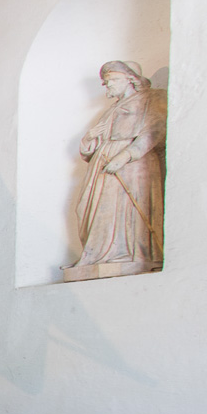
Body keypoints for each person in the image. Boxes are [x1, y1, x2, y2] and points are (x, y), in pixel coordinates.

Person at [65, 60, 167, 277]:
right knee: (87, 208)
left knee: (125, 210)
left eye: (110, 80)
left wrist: (126, 155)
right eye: (105, 81)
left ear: (130, 79)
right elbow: (89, 149)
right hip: (102, 168)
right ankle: (97, 255)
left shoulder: (151, 99)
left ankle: (130, 254)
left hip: (132, 167)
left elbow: (156, 129)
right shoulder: (111, 110)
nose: (107, 85)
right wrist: (89, 139)